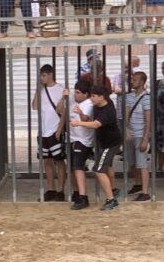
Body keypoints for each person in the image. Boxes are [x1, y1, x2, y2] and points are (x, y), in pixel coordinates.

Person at [70, 85, 122, 211]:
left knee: (98, 170)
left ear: (101, 97)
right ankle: (113, 190)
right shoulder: (97, 105)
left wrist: (78, 123)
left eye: (93, 96)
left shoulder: (108, 110)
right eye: (91, 95)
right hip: (103, 143)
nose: (91, 98)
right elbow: (89, 118)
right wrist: (81, 114)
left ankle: (111, 200)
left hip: (110, 144)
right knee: (107, 166)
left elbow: (95, 124)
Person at [32, 64, 66, 202]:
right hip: (43, 131)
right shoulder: (42, 90)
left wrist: (59, 130)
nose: (42, 78)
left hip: (54, 130)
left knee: (59, 161)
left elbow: (63, 112)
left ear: (50, 74)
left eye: (44, 75)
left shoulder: (60, 89)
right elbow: (34, 106)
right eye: (41, 76)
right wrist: (38, 89)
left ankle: (60, 190)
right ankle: (51, 189)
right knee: (47, 161)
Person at [64, 80, 94, 210]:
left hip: (83, 140)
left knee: (78, 167)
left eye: (78, 93)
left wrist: (81, 113)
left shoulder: (88, 104)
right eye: (75, 92)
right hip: (72, 139)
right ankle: (77, 193)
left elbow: (85, 119)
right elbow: (59, 109)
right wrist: (64, 97)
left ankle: (83, 197)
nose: (75, 95)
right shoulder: (74, 101)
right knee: (71, 168)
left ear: (86, 94)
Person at [124, 71, 151, 201]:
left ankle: (145, 192)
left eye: (135, 80)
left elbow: (148, 119)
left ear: (142, 82)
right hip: (131, 134)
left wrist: (145, 138)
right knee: (132, 162)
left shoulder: (146, 97)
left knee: (142, 163)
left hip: (140, 134)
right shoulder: (129, 96)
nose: (132, 81)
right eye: (132, 79)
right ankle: (138, 184)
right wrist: (126, 128)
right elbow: (126, 114)